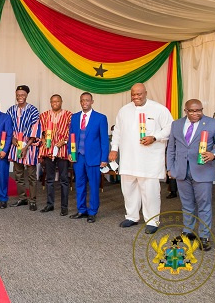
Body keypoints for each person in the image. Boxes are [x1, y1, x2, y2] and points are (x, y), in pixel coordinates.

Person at [109, 83, 173, 234]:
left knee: (149, 190)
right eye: (133, 94)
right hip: (128, 158)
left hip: (149, 159)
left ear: (145, 93)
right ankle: (131, 216)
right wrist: (114, 149)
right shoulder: (124, 110)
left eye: (139, 94)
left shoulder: (159, 109)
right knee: (128, 189)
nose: (136, 97)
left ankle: (152, 220)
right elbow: (117, 131)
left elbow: (170, 128)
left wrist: (155, 137)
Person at [166, 99, 215, 251]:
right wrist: (170, 168)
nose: (196, 113)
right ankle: (188, 232)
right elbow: (171, 148)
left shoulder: (213, 123)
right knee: (186, 204)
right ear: (185, 111)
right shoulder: (176, 124)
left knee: (204, 205)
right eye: (192, 111)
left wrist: (214, 154)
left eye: (199, 110)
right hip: (181, 170)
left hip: (202, 170)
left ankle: (204, 236)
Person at [68, 92, 108, 223]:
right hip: (78, 157)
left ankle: (92, 212)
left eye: (87, 100)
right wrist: (70, 152)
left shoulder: (100, 118)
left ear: (92, 101)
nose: (84, 102)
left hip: (94, 158)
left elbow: (104, 140)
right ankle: (81, 210)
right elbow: (71, 137)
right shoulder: (74, 117)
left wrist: (104, 158)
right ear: (80, 102)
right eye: (82, 100)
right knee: (79, 184)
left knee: (94, 185)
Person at [7, 85, 41, 210]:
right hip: (16, 145)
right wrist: (12, 139)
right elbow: (7, 127)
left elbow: (36, 129)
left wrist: (26, 147)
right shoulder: (11, 110)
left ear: (26, 95)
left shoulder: (33, 110)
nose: (20, 97)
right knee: (18, 174)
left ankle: (32, 200)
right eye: (18, 95)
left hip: (29, 146)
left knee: (31, 175)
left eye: (22, 94)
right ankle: (22, 198)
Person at [38, 95, 72, 216]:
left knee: (64, 179)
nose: (55, 103)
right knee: (49, 179)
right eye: (53, 101)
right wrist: (41, 139)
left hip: (62, 151)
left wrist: (65, 141)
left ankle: (64, 207)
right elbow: (39, 130)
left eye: (57, 101)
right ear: (50, 102)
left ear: (61, 102)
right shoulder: (44, 115)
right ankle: (50, 204)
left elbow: (72, 131)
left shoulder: (69, 115)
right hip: (48, 150)